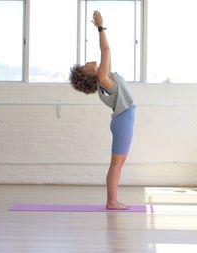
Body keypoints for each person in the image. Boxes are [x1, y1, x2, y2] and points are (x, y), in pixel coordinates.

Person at [69, 10, 135, 210]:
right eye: (85, 65)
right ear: (87, 74)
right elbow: (106, 50)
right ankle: (112, 202)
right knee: (117, 163)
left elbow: (106, 55)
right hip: (123, 119)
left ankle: (112, 201)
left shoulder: (105, 76)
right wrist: (100, 27)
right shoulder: (103, 79)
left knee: (118, 163)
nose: (88, 62)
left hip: (124, 119)